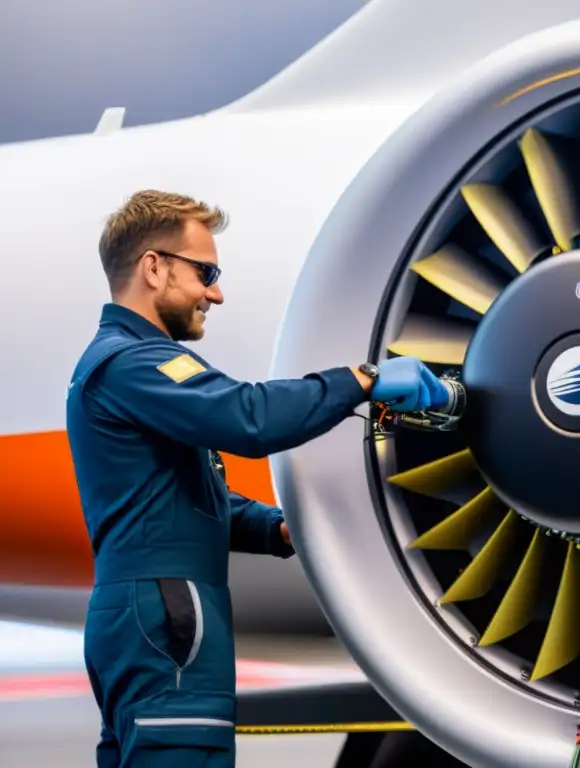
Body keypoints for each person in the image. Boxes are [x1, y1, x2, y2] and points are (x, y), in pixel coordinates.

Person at [65, 189, 448, 767]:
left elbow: (189, 498)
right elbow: (248, 417)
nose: (215, 292)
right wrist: (361, 380)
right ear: (153, 266)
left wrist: (277, 530)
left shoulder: (123, 366)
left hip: (145, 613)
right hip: (167, 616)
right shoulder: (134, 364)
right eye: (205, 271)